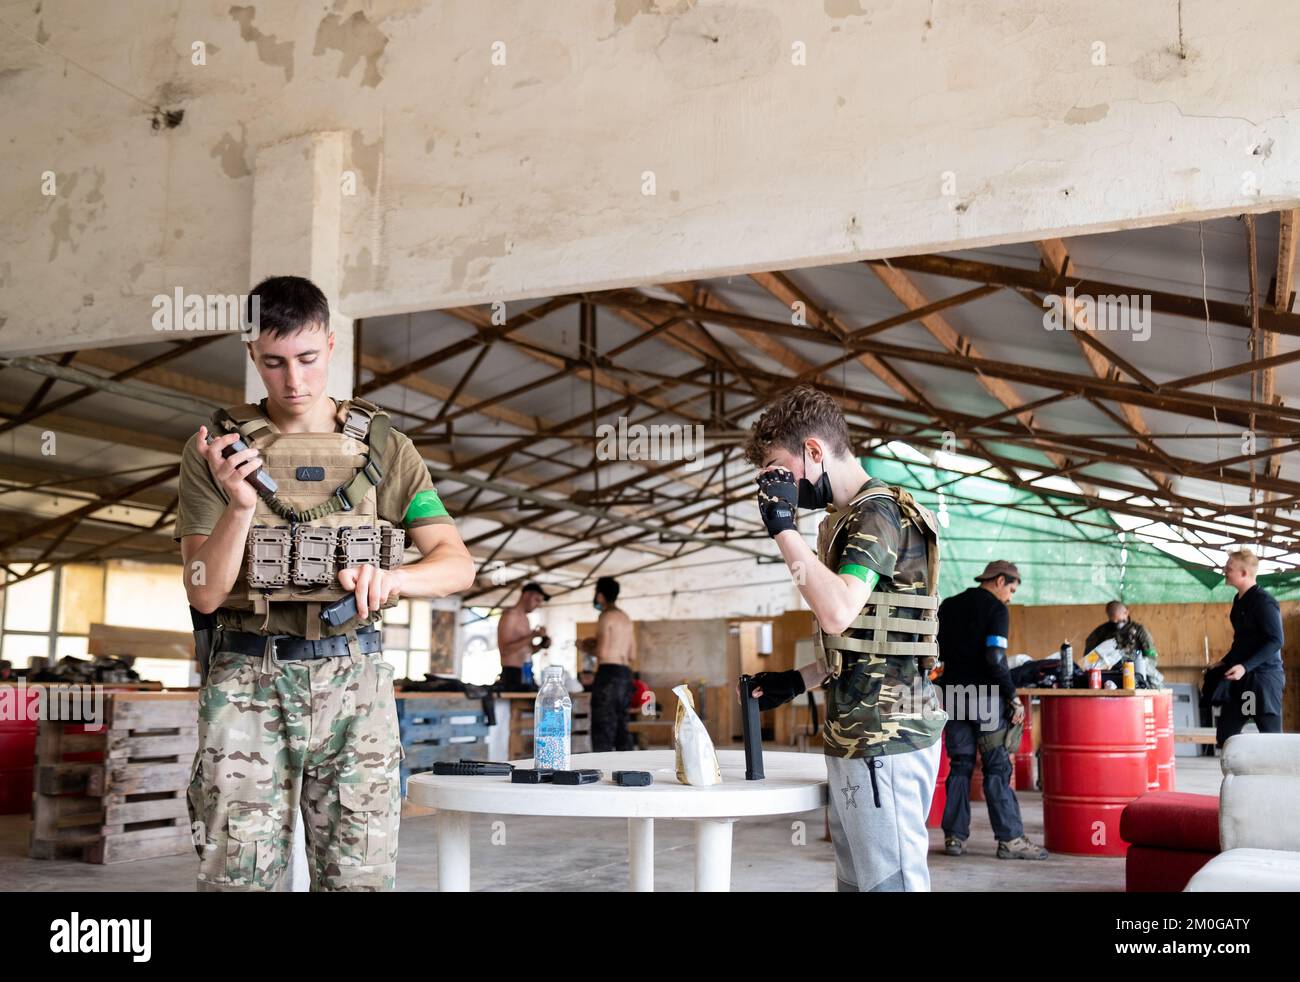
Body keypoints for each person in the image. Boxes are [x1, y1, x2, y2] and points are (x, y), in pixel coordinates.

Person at [175, 275, 475, 892]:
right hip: (247, 679)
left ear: (332, 346)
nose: (294, 381)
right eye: (274, 362)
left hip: (353, 682)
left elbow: (455, 563)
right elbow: (204, 592)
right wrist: (237, 506)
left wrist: (391, 578)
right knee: (238, 876)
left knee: (359, 876)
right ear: (252, 354)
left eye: (308, 359)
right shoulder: (217, 450)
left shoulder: (386, 450)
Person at [741, 384, 946, 892]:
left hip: (887, 736)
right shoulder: (847, 519)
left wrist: (782, 528)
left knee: (889, 886)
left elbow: (836, 610)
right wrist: (799, 680)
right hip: (861, 735)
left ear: (813, 451)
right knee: (860, 886)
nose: (775, 486)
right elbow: (865, 637)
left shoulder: (876, 511)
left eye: (779, 471)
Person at [937, 560, 1048, 860]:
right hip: (985, 697)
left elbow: (940, 653)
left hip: (955, 694)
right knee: (997, 766)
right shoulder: (996, 610)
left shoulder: (948, 606)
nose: (1010, 596)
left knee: (959, 765)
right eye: (1010, 589)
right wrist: (1011, 696)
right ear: (1000, 581)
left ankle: (954, 837)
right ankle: (1010, 839)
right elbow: (995, 657)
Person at [1214, 548, 1286, 746]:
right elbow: (1243, 641)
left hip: (1263, 681)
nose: (1224, 571)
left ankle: (1278, 776)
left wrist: (1245, 666)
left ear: (1244, 573)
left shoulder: (1264, 602)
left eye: (1229, 568)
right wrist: (1225, 661)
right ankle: (1235, 777)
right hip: (1243, 681)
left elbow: (1276, 640)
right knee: (1226, 735)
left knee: (1271, 737)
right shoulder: (1239, 600)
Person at [589, 576, 636, 752]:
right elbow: (633, 654)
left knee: (603, 729)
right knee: (622, 728)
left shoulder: (606, 616)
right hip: (625, 675)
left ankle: (602, 771)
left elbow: (602, 652)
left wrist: (585, 647)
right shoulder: (626, 618)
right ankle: (629, 772)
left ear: (600, 596)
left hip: (608, 674)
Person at [495, 581, 549, 691]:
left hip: (527, 672)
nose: (538, 605)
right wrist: (533, 635)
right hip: (511, 673)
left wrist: (542, 644)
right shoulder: (510, 615)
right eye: (537, 600)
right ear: (526, 595)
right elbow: (505, 650)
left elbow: (527, 650)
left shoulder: (526, 619)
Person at [1083, 601, 1159, 677]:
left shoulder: (1139, 631)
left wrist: (1139, 663)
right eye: (1113, 622)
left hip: (1133, 673)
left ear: (1126, 613)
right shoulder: (1102, 631)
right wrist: (1097, 663)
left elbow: (1152, 657)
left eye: (1119, 621)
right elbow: (1089, 655)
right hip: (1108, 674)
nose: (1117, 624)